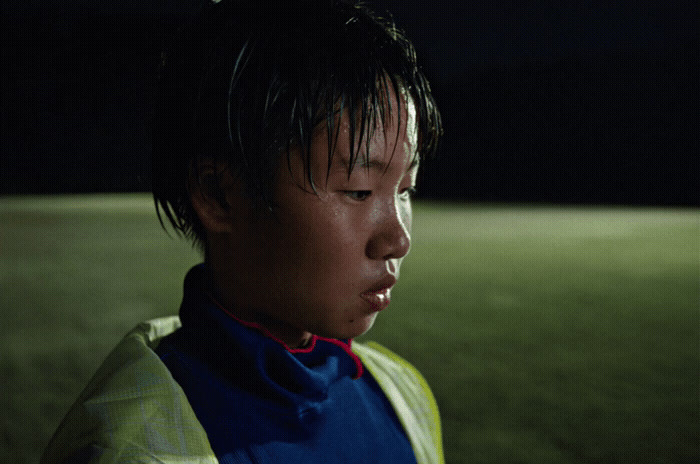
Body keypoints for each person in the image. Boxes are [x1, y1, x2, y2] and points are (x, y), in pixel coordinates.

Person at [41, 0, 443, 462]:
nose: (398, 239)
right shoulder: (138, 447)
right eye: (358, 190)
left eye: (406, 189)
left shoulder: (398, 394)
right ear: (218, 195)